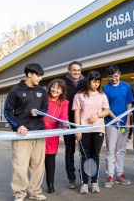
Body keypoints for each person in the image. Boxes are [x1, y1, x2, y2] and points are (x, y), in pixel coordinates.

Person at [4, 63, 48, 201]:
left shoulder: (42, 91)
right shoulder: (15, 91)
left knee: (38, 165)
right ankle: (19, 193)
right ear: (29, 74)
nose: (40, 78)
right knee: (20, 165)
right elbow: (7, 111)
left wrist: (39, 113)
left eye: (41, 76)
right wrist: (18, 125)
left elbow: (46, 109)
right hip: (22, 133)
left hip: (39, 132)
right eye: (38, 75)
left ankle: (35, 192)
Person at [73, 71, 110, 194]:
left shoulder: (102, 95)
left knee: (95, 156)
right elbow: (77, 113)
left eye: (98, 81)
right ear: (88, 81)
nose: (96, 84)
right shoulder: (79, 95)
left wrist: (97, 115)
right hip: (84, 130)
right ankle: (84, 183)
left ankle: (94, 182)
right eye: (94, 81)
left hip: (98, 129)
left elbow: (106, 111)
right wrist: (78, 130)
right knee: (84, 156)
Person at [103, 64, 134, 188]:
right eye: (111, 77)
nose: (113, 79)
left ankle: (120, 174)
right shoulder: (106, 88)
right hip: (111, 123)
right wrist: (114, 118)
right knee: (111, 150)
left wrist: (127, 121)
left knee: (121, 149)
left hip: (123, 124)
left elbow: (129, 104)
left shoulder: (126, 86)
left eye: (115, 76)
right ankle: (110, 175)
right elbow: (105, 106)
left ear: (119, 74)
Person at [43, 79, 69, 194]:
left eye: (58, 88)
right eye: (53, 87)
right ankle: (34, 185)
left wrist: (65, 123)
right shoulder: (43, 98)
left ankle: (50, 184)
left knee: (50, 162)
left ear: (62, 91)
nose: (55, 90)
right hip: (39, 133)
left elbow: (63, 117)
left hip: (53, 135)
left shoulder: (64, 103)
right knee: (36, 162)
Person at [64, 61, 85, 189]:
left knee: (84, 151)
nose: (76, 72)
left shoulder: (85, 83)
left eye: (78, 70)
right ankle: (71, 178)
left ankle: (83, 176)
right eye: (74, 70)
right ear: (69, 71)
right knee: (69, 151)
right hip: (68, 123)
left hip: (83, 123)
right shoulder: (64, 84)